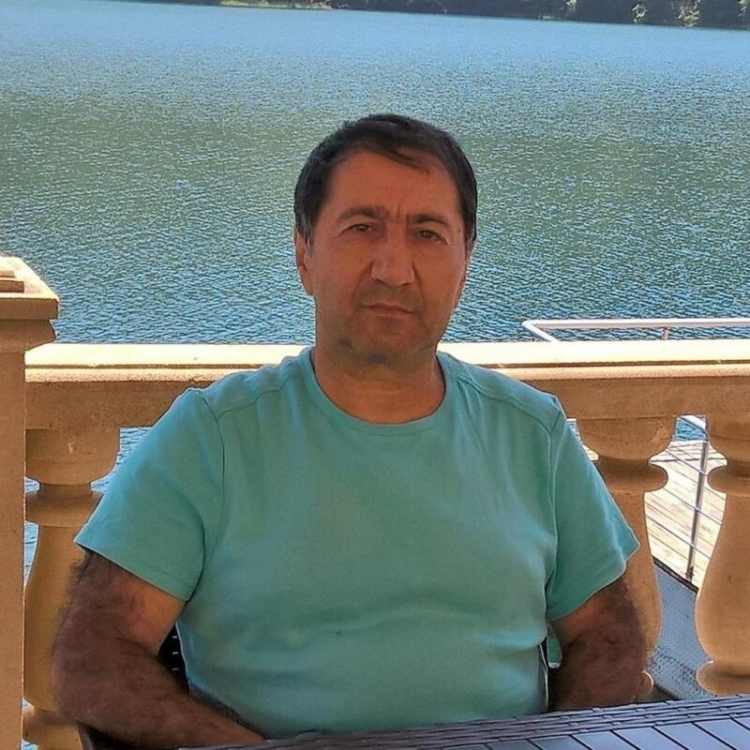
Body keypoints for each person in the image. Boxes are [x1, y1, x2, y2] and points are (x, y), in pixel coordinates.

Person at [52, 113, 645, 749]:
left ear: (465, 263)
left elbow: (609, 636)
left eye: (428, 234)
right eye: (362, 228)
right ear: (304, 253)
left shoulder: (533, 435)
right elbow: (92, 658)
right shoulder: (212, 440)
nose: (394, 269)